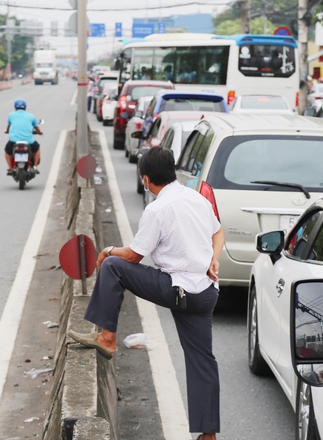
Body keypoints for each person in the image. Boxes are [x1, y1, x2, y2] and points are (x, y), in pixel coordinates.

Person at [69, 147, 224, 440]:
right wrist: (214, 258)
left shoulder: (157, 209)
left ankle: (107, 338)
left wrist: (106, 251)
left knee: (113, 266)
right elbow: (219, 232)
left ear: (146, 179)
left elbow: (132, 258)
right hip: (205, 293)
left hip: (178, 289)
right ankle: (208, 435)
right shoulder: (196, 198)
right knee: (202, 361)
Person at [4, 99, 42, 175]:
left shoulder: (11, 115)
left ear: (15, 107)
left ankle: (10, 169)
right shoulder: (31, 116)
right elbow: (37, 128)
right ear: (25, 107)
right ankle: (35, 167)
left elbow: (8, 126)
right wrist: (40, 132)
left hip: (14, 141)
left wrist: (6, 131)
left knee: (7, 152)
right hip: (29, 141)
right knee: (37, 149)